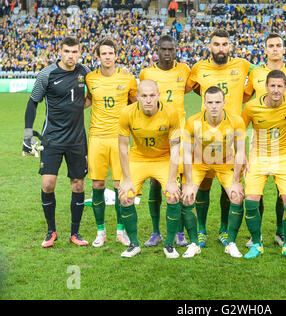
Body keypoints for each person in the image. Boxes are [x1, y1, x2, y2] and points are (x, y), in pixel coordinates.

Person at [23, 36, 91, 248]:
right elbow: (32, 103)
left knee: (78, 185)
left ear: (80, 53)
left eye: (75, 52)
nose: (71, 56)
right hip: (51, 138)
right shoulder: (47, 74)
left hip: (77, 139)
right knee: (48, 184)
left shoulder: (85, 72)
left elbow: (96, 95)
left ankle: (75, 232)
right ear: (59, 52)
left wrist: (79, 106)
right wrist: (27, 135)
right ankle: (51, 232)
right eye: (67, 51)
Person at [186, 29, 251, 248]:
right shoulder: (199, 68)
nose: (220, 48)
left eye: (224, 44)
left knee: (229, 188)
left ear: (230, 46)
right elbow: (193, 89)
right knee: (203, 184)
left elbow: (259, 80)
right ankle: (202, 229)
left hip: (230, 137)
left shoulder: (242, 65)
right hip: (204, 138)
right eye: (216, 44)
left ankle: (224, 228)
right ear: (210, 46)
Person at [243, 32, 286, 249]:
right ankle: (256, 234)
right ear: (266, 49)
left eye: (279, 45)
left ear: (284, 48)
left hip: (285, 139)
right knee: (255, 189)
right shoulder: (255, 73)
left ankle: (280, 231)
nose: (276, 49)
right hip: (259, 140)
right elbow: (245, 97)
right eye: (271, 45)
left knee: (283, 191)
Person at [118, 79, 190, 259]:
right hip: (138, 158)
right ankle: (134, 244)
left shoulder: (171, 113)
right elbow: (122, 147)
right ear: (137, 97)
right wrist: (126, 179)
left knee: (173, 195)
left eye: (152, 95)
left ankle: (169, 244)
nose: (148, 100)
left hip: (163, 158)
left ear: (158, 96)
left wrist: (173, 181)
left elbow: (175, 148)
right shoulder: (127, 113)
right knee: (125, 197)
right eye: (144, 96)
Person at [84, 37, 138, 248]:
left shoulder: (127, 79)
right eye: (103, 53)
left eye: (110, 53)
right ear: (98, 57)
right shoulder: (90, 78)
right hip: (97, 138)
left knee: (119, 186)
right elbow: (88, 100)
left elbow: (136, 103)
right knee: (97, 184)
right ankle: (101, 231)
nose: (107, 57)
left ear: (116, 55)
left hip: (120, 140)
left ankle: (120, 231)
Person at [182, 86, 246, 258]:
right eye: (210, 102)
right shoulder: (192, 121)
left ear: (224, 102)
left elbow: (240, 151)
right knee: (188, 197)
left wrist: (237, 180)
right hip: (199, 162)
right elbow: (186, 153)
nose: (214, 106)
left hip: (225, 162)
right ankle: (195, 242)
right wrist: (187, 183)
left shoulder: (236, 120)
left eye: (218, 102)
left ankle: (231, 242)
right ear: (204, 103)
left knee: (237, 196)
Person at [139, 35, 191, 248]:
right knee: (154, 181)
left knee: (176, 181)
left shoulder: (184, 70)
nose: (168, 53)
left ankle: (179, 231)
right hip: (155, 134)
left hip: (178, 134)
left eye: (171, 49)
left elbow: (191, 88)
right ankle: (155, 231)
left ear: (176, 50)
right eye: (164, 49)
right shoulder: (147, 73)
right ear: (157, 50)